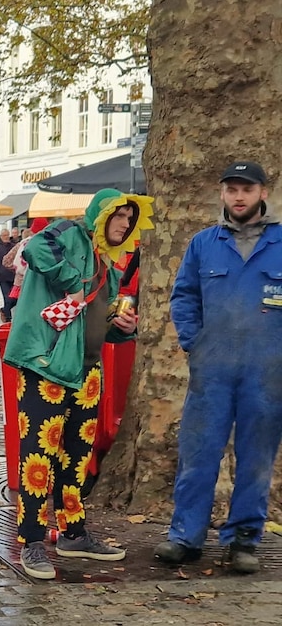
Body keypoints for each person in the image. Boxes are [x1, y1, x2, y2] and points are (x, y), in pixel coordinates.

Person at [4, 188, 153, 579]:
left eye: (129, 219)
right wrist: (75, 281)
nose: (123, 224)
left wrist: (123, 329)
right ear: (100, 214)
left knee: (76, 458)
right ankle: (32, 542)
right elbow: (35, 248)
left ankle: (73, 533)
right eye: (117, 216)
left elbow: (100, 327)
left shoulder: (112, 264)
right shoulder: (68, 233)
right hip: (46, 366)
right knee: (38, 458)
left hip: (87, 373)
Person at [157, 161, 282, 574]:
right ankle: (185, 537)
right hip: (212, 372)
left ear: (263, 192)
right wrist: (196, 343)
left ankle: (244, 539)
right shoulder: (203, 244)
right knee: (198, 455)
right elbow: (184, 296)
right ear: (223, 194)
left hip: (267, 373)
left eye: (247, 189)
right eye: (231, 189)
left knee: (256, 459)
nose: (239, 196)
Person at [0, 228, 17, 322]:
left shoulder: (14, 247)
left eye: (7, 235)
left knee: (15, 298)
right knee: (7, 297)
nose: (5, 237)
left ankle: (4, 310)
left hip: (13, 276)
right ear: (0, 237)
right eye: (3, 235)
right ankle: (8, 318)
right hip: (2, 277)